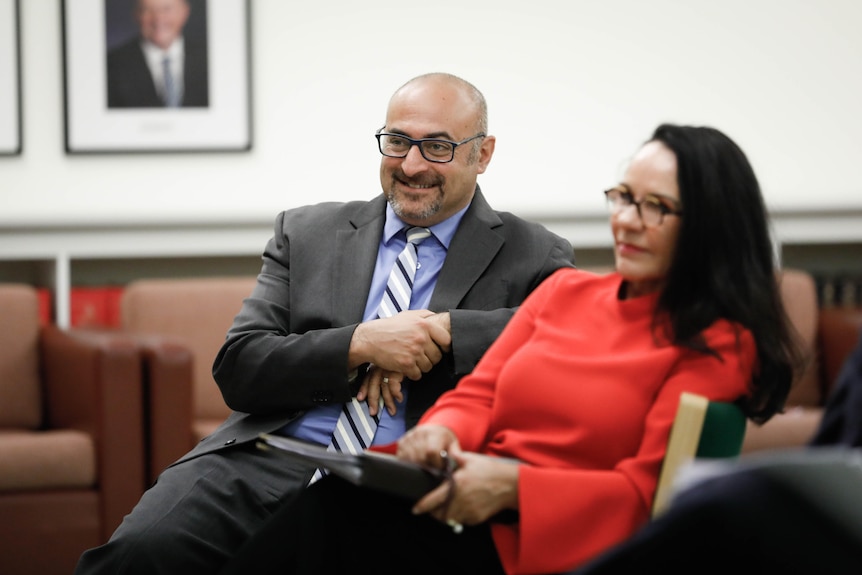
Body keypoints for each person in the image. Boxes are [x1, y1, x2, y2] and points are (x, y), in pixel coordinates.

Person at [215, 124, 803, 575]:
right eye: (623, 197)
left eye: (656, 207)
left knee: (336, 524)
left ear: (710, 225)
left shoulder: (720, 342)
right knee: (338, 502)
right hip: (461, 501)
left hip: (539, 537)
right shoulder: (568, 293)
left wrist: (513, 487)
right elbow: (480, 392)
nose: (626, 220)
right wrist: (441, 431)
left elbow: (646, 495)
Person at [74, 72, 575, 574]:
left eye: (438, 147)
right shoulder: (308, 232)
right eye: (398, 141)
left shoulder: (532, 253)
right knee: (135, 556)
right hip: (268, 460)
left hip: (405, 477)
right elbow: (240, 367)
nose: (412, 164)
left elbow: (568, 343)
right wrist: (360, 343)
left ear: (482, 154)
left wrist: (443, 332)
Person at [570, 326, 862, 575]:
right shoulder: (560, 296)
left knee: (732, 504)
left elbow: (641, 488)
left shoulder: (717, 342)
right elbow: (830, 453)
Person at [106, 0, 208, 108]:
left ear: (185, 12)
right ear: (136, 14)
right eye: (147, 10)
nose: (158, 18)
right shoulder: (111, 64)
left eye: (167, 9)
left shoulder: (209, 58)